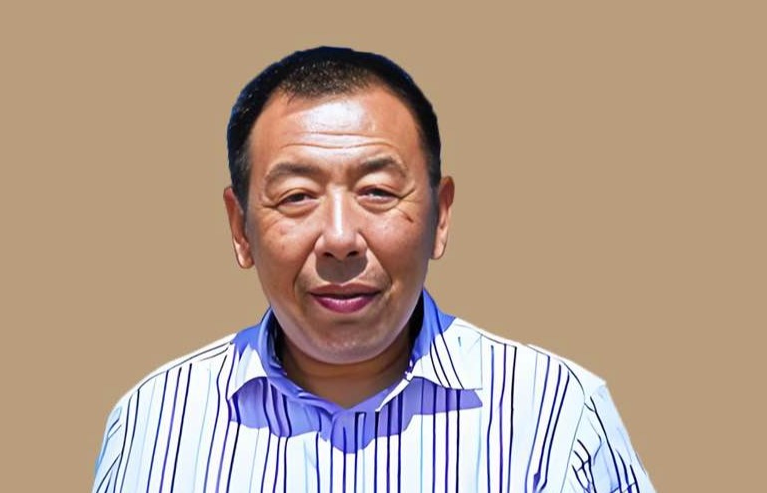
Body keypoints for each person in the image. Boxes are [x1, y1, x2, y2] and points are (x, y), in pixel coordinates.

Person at [91, 46, 655, 492]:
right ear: (241, 229)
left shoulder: (556, 419)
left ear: (440, 216)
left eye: (378, 191)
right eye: (297, 196)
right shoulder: (156, 425)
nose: (340, 239)